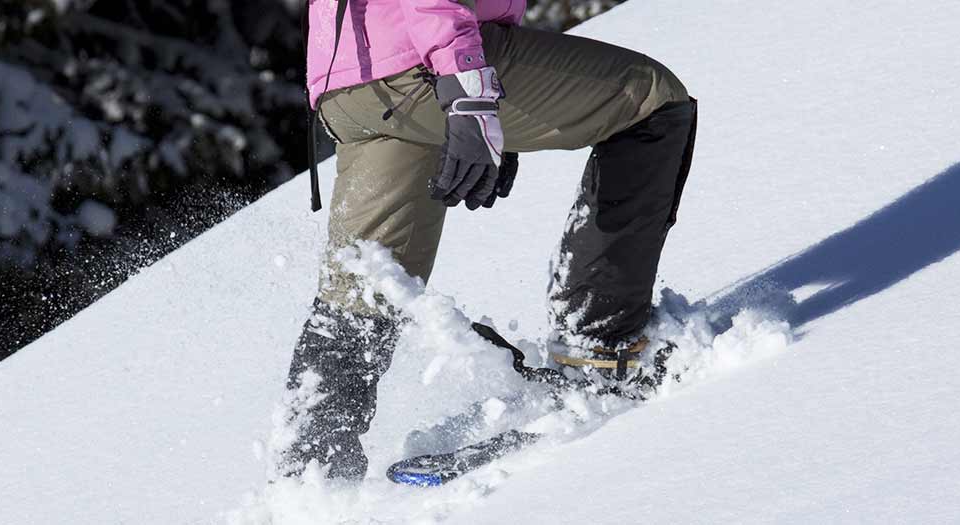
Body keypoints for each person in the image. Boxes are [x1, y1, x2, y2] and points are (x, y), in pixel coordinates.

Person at [278, 0, 696, 480]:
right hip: (423, 66)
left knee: (364, 283)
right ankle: (598, 348)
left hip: (352, 83)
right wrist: (471, 96)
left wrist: (495, 120)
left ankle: (311, 473)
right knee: (653, 100)